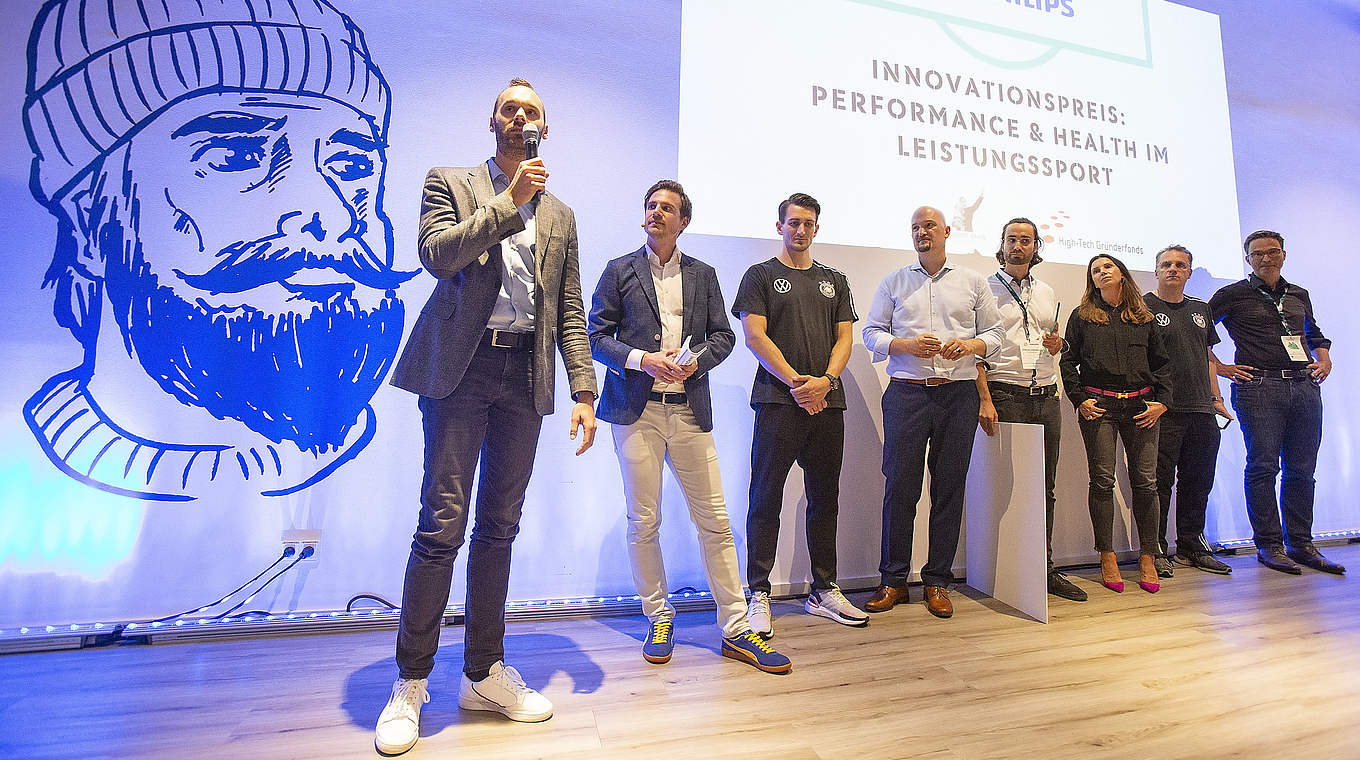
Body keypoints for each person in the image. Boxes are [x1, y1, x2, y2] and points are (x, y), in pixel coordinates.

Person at [21, 0, 413, 500]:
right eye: (236, 156)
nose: (332, 219)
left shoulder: (394, 489)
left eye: (353, 166)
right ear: (89, 216)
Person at [376, 79, 599, 755]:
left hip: (522, 376)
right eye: (511, 108)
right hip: (461, 370)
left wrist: (585, 391)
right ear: (493, 121)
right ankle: (411, 682)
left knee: (499, 528)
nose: (520, 118)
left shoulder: (560, 213)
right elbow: (438, 255)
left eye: (531, 111)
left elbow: (568, 309)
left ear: (545, 129)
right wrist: (510, 203)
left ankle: (482, 672)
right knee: (442, 525)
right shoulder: (451, 181)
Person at [588, 180, 790, 674]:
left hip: (688, 411)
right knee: (644, 521)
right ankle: (658, 616)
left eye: (667, 208)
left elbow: (723, 336)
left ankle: (737, 628)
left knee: (716, 521)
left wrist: (693, 362)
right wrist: (641, 360)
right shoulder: (619, 270)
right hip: (636, 413)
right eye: (651, 206)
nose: (656, 213)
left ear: (684, 221)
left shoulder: (705, 275)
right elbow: (595, 337)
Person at [731, 192, 868, 637]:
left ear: (816, 228)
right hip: (778, 401)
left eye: (808, 223)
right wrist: (797, 383)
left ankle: (823, 589)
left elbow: (844, 338)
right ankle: (758, 593)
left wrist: (825, 382)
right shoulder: (760, 276)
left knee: (824, 497)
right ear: (779, 226)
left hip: (827, 401)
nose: (801, 230)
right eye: (793, 223)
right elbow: (755, 337)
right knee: (765, 498)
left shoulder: (835, 280)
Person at [863, 206, 1003, 619]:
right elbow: (871, 333)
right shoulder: (895, 281)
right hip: (907, 394)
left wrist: (971, 346)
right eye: (915, 228)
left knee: (949, 489)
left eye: (929, 226)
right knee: (900, 488)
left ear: (946, 231)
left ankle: (937, 581)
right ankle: (893, 580)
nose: (922, 232)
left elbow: (995, 334)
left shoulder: (973, 282)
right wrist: (905, 345)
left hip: (958, 395)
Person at [1209, 230, 1343, 575]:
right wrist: (1221, 368)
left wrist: (1324, 359)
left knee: (1302, 470)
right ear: (1248, 258)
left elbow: (1313, 334)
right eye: (1258, 254)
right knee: (1263, 467)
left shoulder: (1299, 294)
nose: (1266, 258)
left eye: (1272, 252)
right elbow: (1197, 333)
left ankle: (1301, 543)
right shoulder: (1232, 294)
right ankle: (1268, 544)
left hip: (1305, 386)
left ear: (1283, 255)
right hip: (1259, 387)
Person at [974, 217, 1086, 601]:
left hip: (1046, 394)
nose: (1018, 245)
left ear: (1036, 246)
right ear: (1001, 245)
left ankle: (1045, 567)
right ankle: (1008, 571)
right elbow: (978, 350)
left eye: (1026, 240)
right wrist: (985, 398)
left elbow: (1045, 338)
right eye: (1012, 239)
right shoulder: (984, 289)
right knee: (1006, 488)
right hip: (1006, 393)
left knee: (1045, 488)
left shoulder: (1047, 290)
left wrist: (1058, 345)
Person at [1059, 255, 1172, 594]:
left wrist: (1161, 403)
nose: (1101, 272)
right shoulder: (1081, 317)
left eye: (1107, 267)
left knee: (1146, 483)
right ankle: (1106, 554)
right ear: (1091, 280)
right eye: (1095, 270)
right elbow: (1068, 361)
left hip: (1142, 408)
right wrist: (1080, 399)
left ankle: (1148, 556)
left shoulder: (1144, 318)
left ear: (1122, 274)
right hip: (1101, 408)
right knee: (1103, 481)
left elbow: (1163, 365)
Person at [1144, 246, 1234, 577]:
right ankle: (1154, 550)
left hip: (1201, 409)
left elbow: (1207, 356)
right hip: (1163, 409)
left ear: (1189, 273)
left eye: (1180, 265)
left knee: (1198, 481)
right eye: (1166, 264)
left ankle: (1191, 546)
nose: (1173, 269)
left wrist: (1216, 398)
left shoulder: (1201, 309)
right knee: (1159, 483)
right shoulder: (1143, 306)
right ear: (1155, 271)